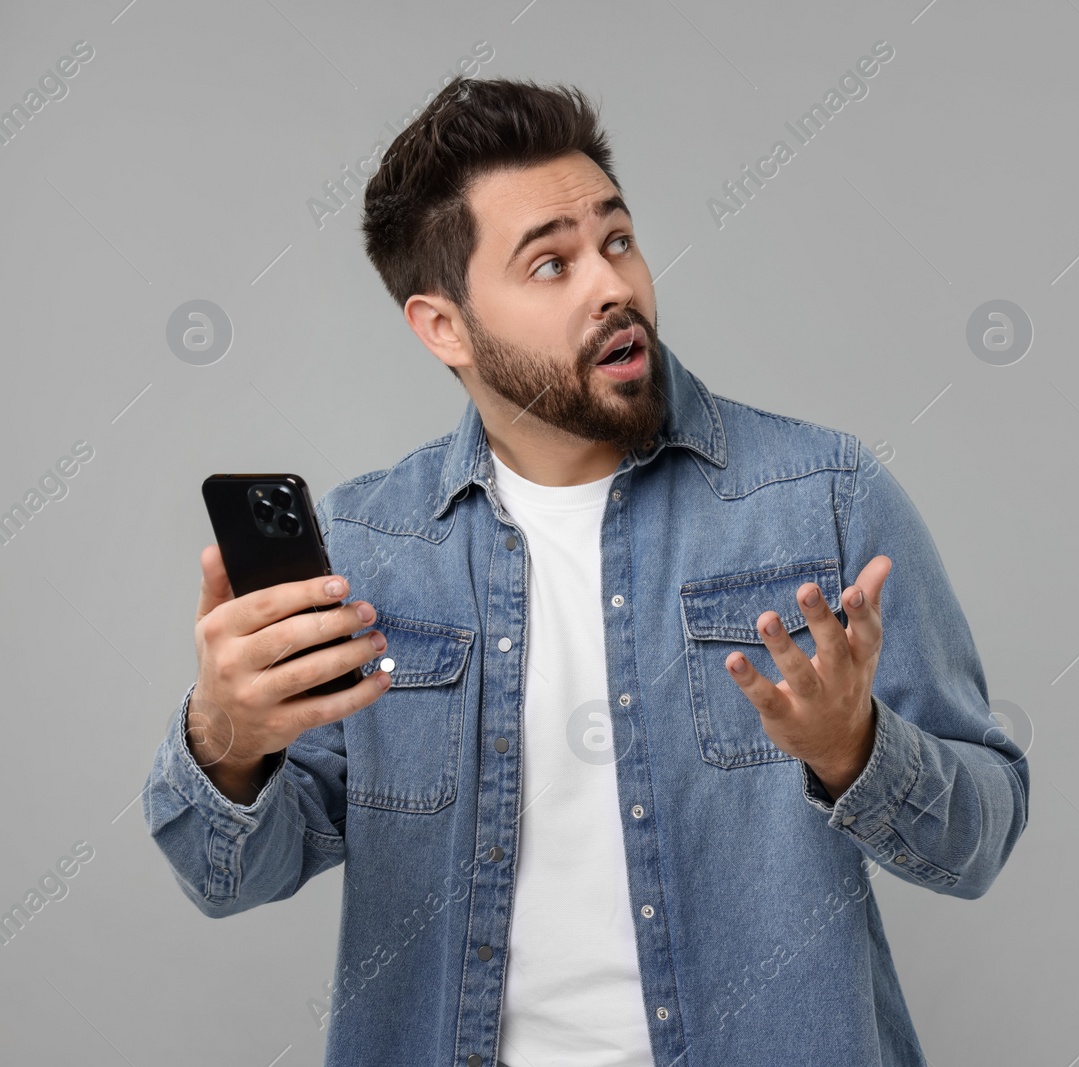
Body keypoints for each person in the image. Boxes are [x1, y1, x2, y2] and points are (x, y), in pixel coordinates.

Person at [144, 75, 1028, 1067]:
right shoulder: (367, 548)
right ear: (443, 326)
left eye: (616, 240)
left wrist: (854, 749)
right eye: (550, 264)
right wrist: (226, 738)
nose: (612, 285)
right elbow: (229, 878)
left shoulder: (822, 495)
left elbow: (980, 835)